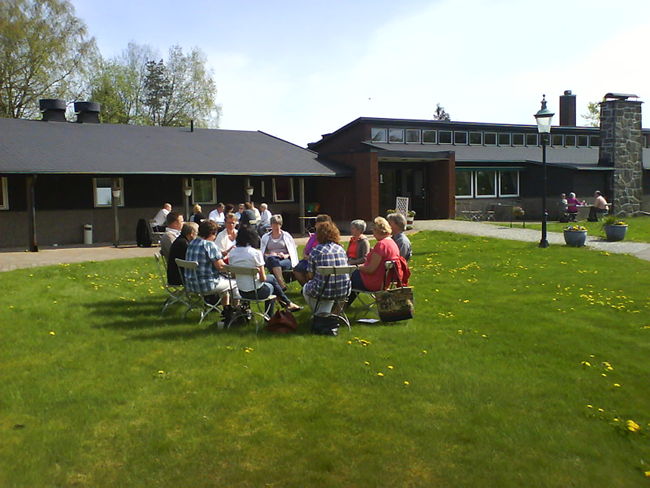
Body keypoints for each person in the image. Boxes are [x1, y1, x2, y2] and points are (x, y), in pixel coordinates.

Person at [228, 227, 302, 315]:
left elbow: (233, 275)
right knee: (272, 285)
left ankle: (287, 303)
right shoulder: (255, 253)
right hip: (257, 292)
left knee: (271, 278)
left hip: (241, 292)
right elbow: (263, 278)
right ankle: (272, 315)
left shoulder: (232, 253)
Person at [184, 220, 238, 316]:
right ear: (213, 233)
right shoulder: (209, 245)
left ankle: (227, 311)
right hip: (207, 285)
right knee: (235, 283)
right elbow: (221, 267)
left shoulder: (191, 243)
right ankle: (235, 312)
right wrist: (235, 270)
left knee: (225, 286)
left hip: (191, 284)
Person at [348, 217, 402, 305]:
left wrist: (356, 267)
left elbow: (370, 269)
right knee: (351, 277)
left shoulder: (381, 245)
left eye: (373, 231)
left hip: (374, 282)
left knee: (344, 278)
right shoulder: (392, 243)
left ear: (378, 230)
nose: (373, 234)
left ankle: (337, 308)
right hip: (384, 281)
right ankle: (343, 307)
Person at [303, 221, 351, 318]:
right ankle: (326, 314)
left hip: (323, 290)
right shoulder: (340, 249)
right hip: (343, 290)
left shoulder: (316, 250)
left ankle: (319, 314)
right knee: (328, 285)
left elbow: (310, 275)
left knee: (306, 288)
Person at [260, 214, 299, 290]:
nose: (276, 227)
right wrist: (270, 254)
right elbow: (262, 252)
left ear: (280, 225)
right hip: (271, 259)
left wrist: (286, 255)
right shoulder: (265, 237)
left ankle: (280, 285)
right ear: (271, 225)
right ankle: (282, 285)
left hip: (284, 260)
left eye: (278, 224)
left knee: (274, 263)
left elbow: (292, 251)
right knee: (272, 259)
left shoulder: (286, 236)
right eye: (274, 225)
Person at [293, 214, 332, 285]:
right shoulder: (313, 236)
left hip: (318, 261)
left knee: (309, 272)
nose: (315, 226)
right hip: (307, 259)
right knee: (297, 270)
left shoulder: (328, 237)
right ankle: (305, 287)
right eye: (316, 224)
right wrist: (305, 254)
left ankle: (311, 287)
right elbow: (306, 248)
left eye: (318, 224)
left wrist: (310, 258)